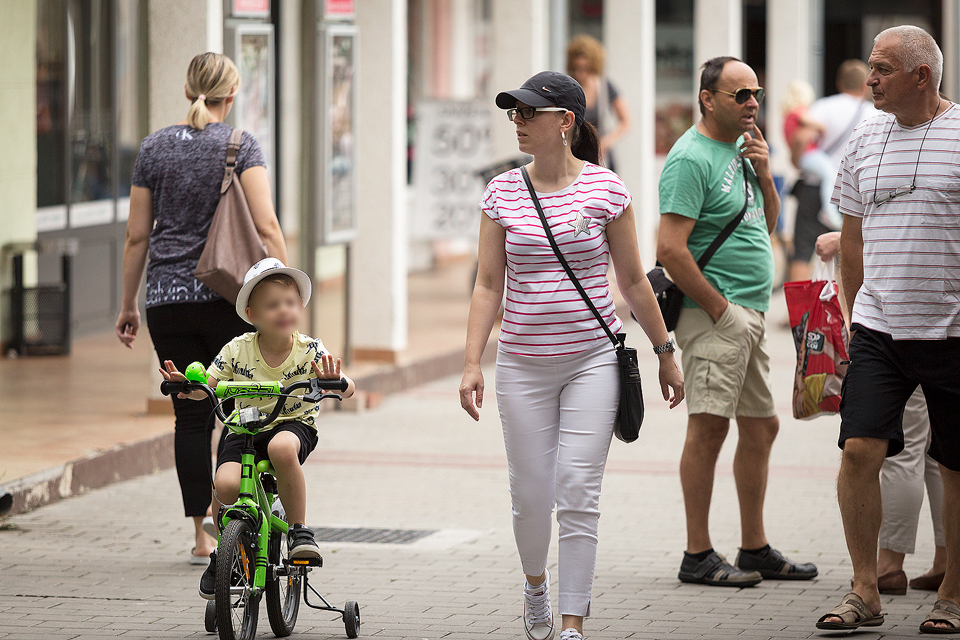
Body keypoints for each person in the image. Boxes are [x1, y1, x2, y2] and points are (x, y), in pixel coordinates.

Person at [459, 70, 684, 640]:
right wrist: (469, 364)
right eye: (514, 112)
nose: (518, 121)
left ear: (566, 122)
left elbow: (633, 281)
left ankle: (572, 622)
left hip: (592, 360)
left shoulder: (607, 190)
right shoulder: (501, 192)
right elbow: (488, 284)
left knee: (579, 487)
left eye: (529, 112)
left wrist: (665, 350)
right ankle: (536, 585)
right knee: (531, 496)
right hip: (522, 365)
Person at [815, 25, 960, 633]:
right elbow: (851, 231)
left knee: (955, 465)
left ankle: (954, 593)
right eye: (869, 67)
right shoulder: (865, 137)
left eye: (881, 68)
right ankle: (865, 589)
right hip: (878, 326)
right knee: (858, 452)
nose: (868, 78)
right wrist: (851, 313)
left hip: (953, 331)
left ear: (920, 76)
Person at [116, 52, 288, 564]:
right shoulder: (240, 144)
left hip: (167, 302)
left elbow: (135, 235)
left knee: (190, 418)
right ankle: (234, 523)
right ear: (230, 96)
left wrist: (129, 303)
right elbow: (267, 228)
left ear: (187, 89)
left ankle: (200, 536)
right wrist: (283, 298)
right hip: (227, 300)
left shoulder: (153, 148)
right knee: (241, 416)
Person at [657, 56, 818, 588]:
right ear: (708, 99)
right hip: (717, 315)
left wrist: (767, 173)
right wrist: (721, 310)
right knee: (708, 428)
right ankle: (697, 554)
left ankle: (754, 548)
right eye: (740, 95)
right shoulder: (691, 157)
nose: (753, 103)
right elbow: (671, 250)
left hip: (747, 312)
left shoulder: (742, 150)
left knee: (762, 427)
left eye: (758, 94)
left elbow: (766, 224)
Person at [160, 258, 356, 599]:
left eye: (290, 303)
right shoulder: (237, 350)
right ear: (253, 314)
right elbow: (206, 386)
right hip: (244, 428)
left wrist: (334, 381)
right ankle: (226, 551)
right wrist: (185, 386)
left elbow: (348, 386)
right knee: (225, 486)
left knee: (281, 449)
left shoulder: (309, 349)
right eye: (273, 305)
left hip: (292, 424)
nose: (284, 310)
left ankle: (299, 532)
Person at [817, 232, 946, 596]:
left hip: (902, 319)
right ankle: (945, 561)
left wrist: (840, 239)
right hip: (939, 317)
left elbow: (902, 226)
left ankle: (890, 564)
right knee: (939, 455)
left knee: (903, 452)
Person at [787, 61, 876, 283]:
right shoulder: (874, 114)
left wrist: (797, 161)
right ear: (865, 87)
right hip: (854, 193)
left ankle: (799, 315)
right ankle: (844, 314)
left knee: (802, 251)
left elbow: (799, 138)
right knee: (851, 252)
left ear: (839, 83)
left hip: (813, 187)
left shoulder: (823, 107)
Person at [566, 35, 631, 171]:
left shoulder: (604, 87)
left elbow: (626, 122)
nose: (580, 73)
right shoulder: (566, 88)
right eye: (577, 68)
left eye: (585, 68)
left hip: (600, 155)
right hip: (572, 154)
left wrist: (605, 143)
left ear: (594, 66)